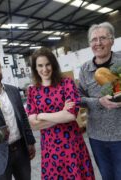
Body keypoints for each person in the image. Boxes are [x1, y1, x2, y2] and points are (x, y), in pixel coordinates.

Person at [26, 47, 95, 180]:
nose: (44, 69)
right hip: (50, 149)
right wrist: (61, 114)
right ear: (35, 68)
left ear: (53, 64)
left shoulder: (66, 83)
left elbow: (71, 115)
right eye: (40, 65)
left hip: (72, 145)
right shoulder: (33, 91)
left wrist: (41, 115)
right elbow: (33, 125)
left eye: (48, 64)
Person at [78, 22, 121, 180]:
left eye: (102, 38)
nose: (98, 43)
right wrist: (98, 101)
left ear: (112, 40)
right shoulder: (85, 69)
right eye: (94, 40)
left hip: (120, 135)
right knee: (107, 176)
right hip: (97, 137)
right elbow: (79, 98)